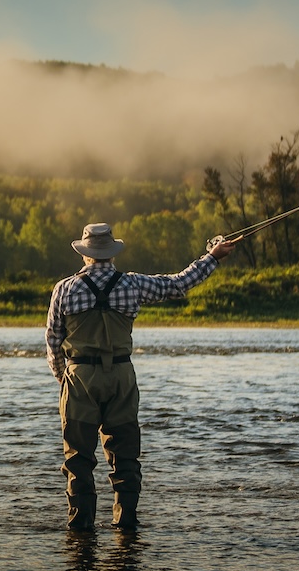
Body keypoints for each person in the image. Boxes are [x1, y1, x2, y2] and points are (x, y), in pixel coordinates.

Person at [46, 223, 237, 532]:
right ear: (111, 253)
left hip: (79, 377)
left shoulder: (64, 288)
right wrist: (212, 256)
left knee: (78, 460)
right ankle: (126, 525)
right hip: (121, 376)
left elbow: (53, 342)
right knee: (125, 457)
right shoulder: (132, 284)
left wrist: (65, 380)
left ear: (85, 255)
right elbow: (178, 285)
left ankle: (80, 528)